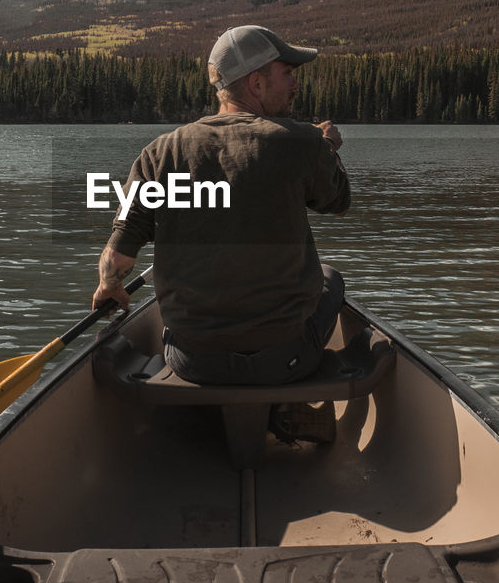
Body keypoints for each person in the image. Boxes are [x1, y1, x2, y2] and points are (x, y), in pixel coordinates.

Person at [92, 24, 350, 386]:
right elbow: (338, 202)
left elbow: (117, 257)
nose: (295, 85)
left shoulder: (159, 153)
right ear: (256, 83)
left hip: (192, 362)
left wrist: (109, 286)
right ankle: (285, 407)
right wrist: (328, 151)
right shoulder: (303, 142)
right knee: (330, 279)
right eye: (287, 74)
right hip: (287, 358)